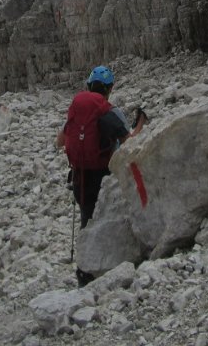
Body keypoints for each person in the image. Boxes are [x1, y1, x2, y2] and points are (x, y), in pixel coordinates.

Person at [56, 65, 146, 284]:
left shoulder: (77, 110)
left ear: (89, 86)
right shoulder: (109, 111)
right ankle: (101, 269)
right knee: (107, 220)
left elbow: (59, 142)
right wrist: (140, 126)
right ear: (109, 88)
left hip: (79, 178)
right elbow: (129, 143)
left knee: (87, 220)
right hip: (103, 177)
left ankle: (84, 271)